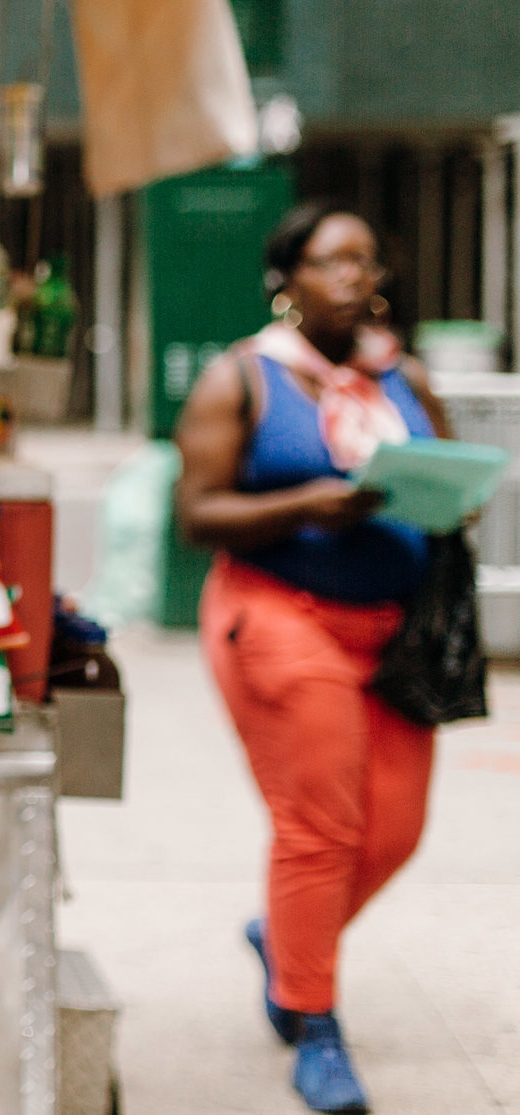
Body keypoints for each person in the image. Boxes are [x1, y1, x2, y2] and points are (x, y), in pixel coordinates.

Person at [175, 201, 453, 1114]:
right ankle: (314, 1025)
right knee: (321, 829)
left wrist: (451, 496)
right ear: (286, 280)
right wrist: (310, 506)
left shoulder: (402, 375)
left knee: (395, 831)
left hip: (396, 633)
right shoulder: (242, 377)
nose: (357, 277)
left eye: (369, 260)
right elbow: (197, 514)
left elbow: (447, 473)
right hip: (280, 615)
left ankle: (285, 935)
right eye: (335, 260)